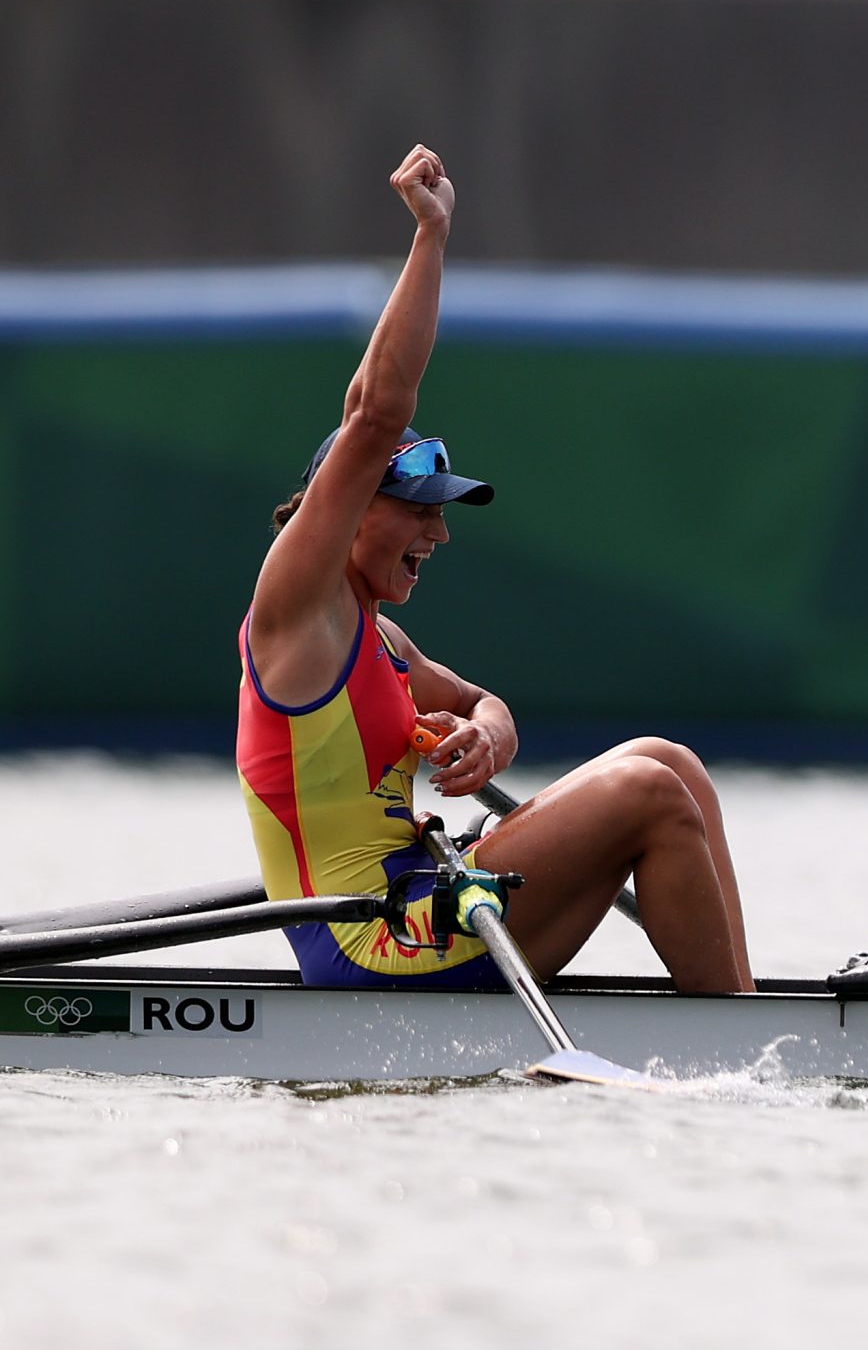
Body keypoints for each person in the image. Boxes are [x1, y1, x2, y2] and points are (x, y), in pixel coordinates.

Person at [237, 145, 754, 995]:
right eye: (421, 509)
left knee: (674, 763)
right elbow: (373, 414)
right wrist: (432, 239)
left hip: (424, 900)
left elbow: (482, 702)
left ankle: (746, 1010)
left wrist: (489, 734)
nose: (438, 534)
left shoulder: (382, 640)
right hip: (367, 942)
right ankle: (743, 1046)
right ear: (352, 505)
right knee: (648, 794)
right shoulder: (297, 611)